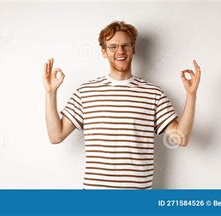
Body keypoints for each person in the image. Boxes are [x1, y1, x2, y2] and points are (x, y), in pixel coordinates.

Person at [43, 21, 201, 189]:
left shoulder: (153, 94)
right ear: (104, 52)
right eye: (113, 47)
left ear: (134, 49)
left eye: (125, 46)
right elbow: (56, 136)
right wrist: (50, 93)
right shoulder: (85, 92)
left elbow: (181, 138)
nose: (120, 51)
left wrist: (191, 95)